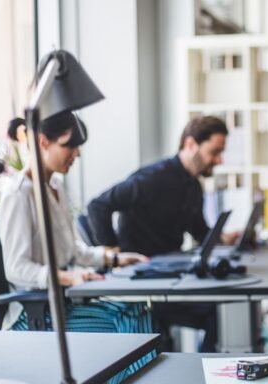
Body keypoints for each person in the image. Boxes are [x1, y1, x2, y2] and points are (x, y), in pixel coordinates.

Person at [0, 113, 152, 382]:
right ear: (44, 142)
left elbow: (72, 250)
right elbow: (16, 268)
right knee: (127, 320)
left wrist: (113, 258)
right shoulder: (18, 194)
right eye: (70, 145)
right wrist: (68, 276)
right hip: (33, 317)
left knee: (137, 310)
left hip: (60, 305)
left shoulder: (55, 186)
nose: (77, 153)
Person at [86, 115, 237, 352]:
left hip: (171, 277)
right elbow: (98, 206)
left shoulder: (193, 186)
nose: (218, 160)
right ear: (190, 144)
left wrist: (224, 238)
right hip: (144, 283)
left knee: (225, 310)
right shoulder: (153, 178)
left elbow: (199, 230)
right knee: (217, 313)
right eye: (214, 151)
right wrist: (112, 256)